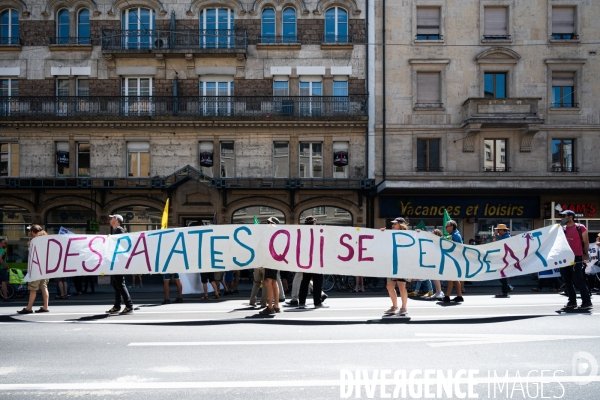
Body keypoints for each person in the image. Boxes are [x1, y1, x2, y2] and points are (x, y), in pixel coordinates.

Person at [559, 210, 592, 310]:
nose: (563, 218)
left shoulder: (580, 228)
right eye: (562, 216)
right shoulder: (562, 229)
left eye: (564, 216)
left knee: (578, 280)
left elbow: (586, 242)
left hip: (576, 257)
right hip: (564, 258)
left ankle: (587, 302)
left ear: (571, 217)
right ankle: (572, 301)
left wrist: (585, 254)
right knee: (567, 281)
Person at [381, 217, 410, 316]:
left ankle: (404, 307)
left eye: (395, 224)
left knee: (402, 286)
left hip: (402, 264)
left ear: (401, 224)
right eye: (393, 224)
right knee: (389, 286)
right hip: (392, 264)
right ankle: (394, 306)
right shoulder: (390, 234)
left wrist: (418, 233)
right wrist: (381, 234)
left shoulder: (408, 235)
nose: (393, 225)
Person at [17, 226, 50, 314]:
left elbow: (33, 255)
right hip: (44, 268)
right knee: (44, 287)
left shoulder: (34, 241)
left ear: (32, 232)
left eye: (30, 231)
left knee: (33, 288)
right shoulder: (46, 241)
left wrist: (29, 245)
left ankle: (29, 308)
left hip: (36, 268)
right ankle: (45, 306)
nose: (29, 233)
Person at [105, 215, 134, 315]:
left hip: (118, 262)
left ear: (116, 220)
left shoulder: (119, 230)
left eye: (111, 218)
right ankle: (117, 306)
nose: (110, 219)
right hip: (116, 262)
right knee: (116, 284)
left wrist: (110, 240)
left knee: (120, 284)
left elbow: (121, 245)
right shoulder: (116, 231)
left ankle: (129, 306)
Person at [297, 216, 328, 309]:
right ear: (314, 223)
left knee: (305, 282)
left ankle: (301, 302)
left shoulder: (302, 232)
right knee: (317, 282)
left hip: (306, 261)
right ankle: (317, 302)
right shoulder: (318, 232)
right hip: (316, 260)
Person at [260, 216, 283, 314]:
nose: (267, 224)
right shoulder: (278, 234)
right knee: (273, 281)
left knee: (268, 281)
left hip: (271, 259)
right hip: (275, 258)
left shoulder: (271, 233)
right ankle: (276, 305)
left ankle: (270, 307)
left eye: (268, 222)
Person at [443, 220, 464, 303]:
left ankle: (447, 296)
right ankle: (459, 296)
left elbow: (459, 248)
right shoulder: (454, 234)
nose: (446, 228)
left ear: (451, 227)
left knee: (450, 278)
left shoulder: (455, 236)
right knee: (454, 278)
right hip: (455, 259)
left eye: (446, 226)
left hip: (454, 259)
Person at [495, 224, 512, 298]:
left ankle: (507, 288)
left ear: (502, 230)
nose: (497, 231)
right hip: (505, 258)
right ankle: (505, 291)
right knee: (503, 275)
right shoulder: (506, 237)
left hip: (504, 259)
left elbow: (497, 245)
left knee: (500, 274)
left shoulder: (505, 238)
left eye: (498, 230)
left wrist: (495, 237)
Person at [430, 229, 445, 300]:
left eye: (432, 233)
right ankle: (437, 291)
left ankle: (440, 291)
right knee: (433, 276)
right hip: (434, 260)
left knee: (435, 276)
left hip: (437, 260)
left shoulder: (439, 242)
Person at [1, 237, 11, 302]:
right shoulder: (1, 250)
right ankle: (5, 298)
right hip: (1, 269)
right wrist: (5, 266)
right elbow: (0, 259)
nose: (6, 244)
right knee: (4, 283)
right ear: (1, 243)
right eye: (5, 243)